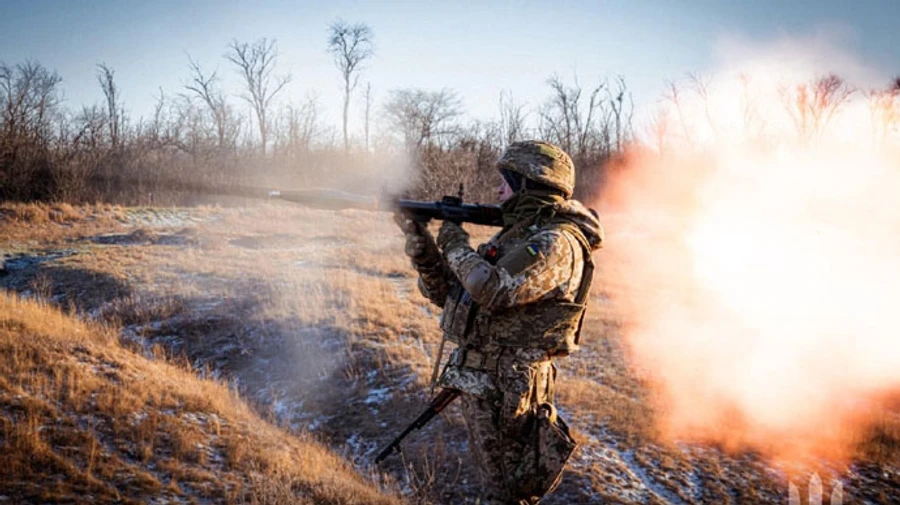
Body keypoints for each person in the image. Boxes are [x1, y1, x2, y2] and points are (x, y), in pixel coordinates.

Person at [397, 140, 604, 504]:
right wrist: (424, 248)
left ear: (530, 183)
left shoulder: (557, 242)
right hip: (486, 380)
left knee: (509, 494)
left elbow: (490, 288)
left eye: (505, 182)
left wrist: (454, 239)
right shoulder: (516, 236)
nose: (497, 190)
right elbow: (453, 293)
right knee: (495, 487)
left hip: (510, 387)